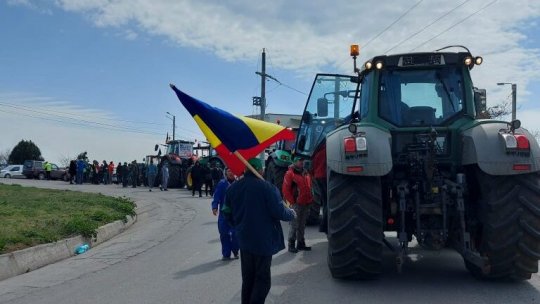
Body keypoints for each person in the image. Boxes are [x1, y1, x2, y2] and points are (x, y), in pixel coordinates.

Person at [223, 158, 296, 304]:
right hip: (263, 242)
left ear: (246, 170)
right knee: (262, 280)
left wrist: (238, 226)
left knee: (248, 278)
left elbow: (226, 212)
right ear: (260, 170)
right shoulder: (268, 188)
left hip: (244, 240)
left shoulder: (233, 188)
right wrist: (292, 214)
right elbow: (280, 212)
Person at [282, 156, 314, 253]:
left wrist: (310, 199)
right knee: (294, 224)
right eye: (299, 160)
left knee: (302, 224)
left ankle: (301, 243)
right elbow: (285, 190)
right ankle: (291, 244)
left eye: (302, 160)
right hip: (296, 204)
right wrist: (293, 202)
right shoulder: (290, 174)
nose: (301, 162)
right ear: (295, 162)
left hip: (306, 203)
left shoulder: (305, 172)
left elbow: (309, 186)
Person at [211, 168, 239, 260]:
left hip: (236, 214)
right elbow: (217, 196)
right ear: (226, 173)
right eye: (229, 171)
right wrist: (215, 206)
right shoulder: (222, 184)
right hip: (224, 214)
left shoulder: (238, 184)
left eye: (232, 171)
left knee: (236, 234)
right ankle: (226, 254)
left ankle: (235, 251)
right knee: (224, 234)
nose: (231, 172)